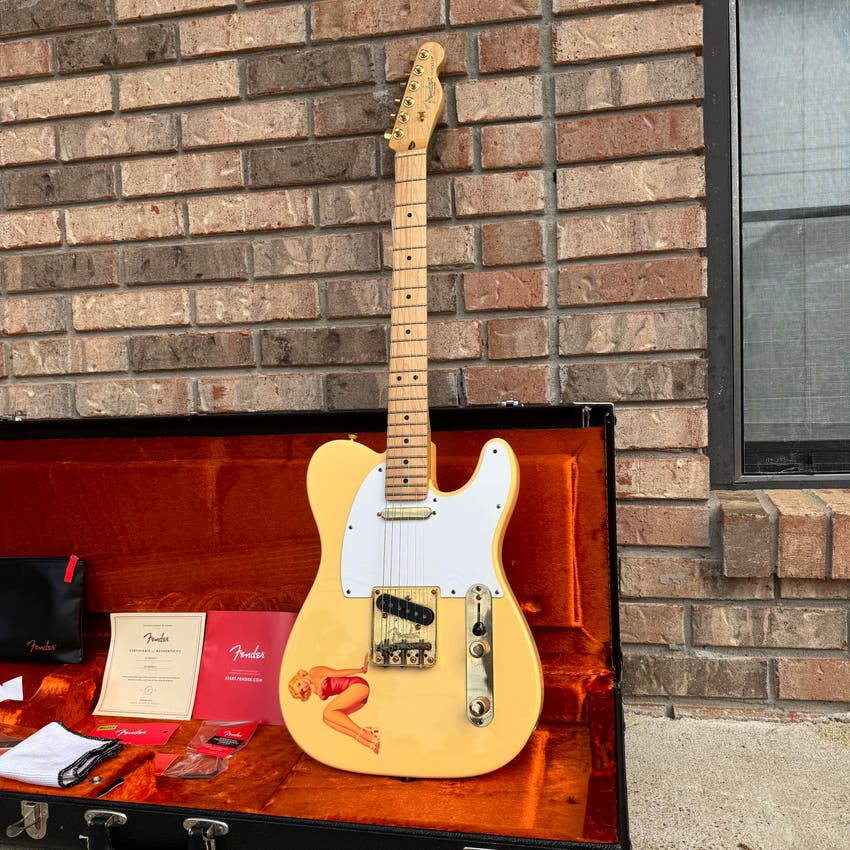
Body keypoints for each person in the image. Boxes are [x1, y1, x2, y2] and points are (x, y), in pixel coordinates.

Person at [287, 653, 379, 753]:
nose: (303, 687)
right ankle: (367, 742)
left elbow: (339, 673)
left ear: (298, 677)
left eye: (299, 684)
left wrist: (361, 670)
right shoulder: (314, 691)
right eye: (301, 691)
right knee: (326, 719)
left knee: (327, 712)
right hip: (359, 700)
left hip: (358, 686)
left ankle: (366, 734)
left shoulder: (314, 672)